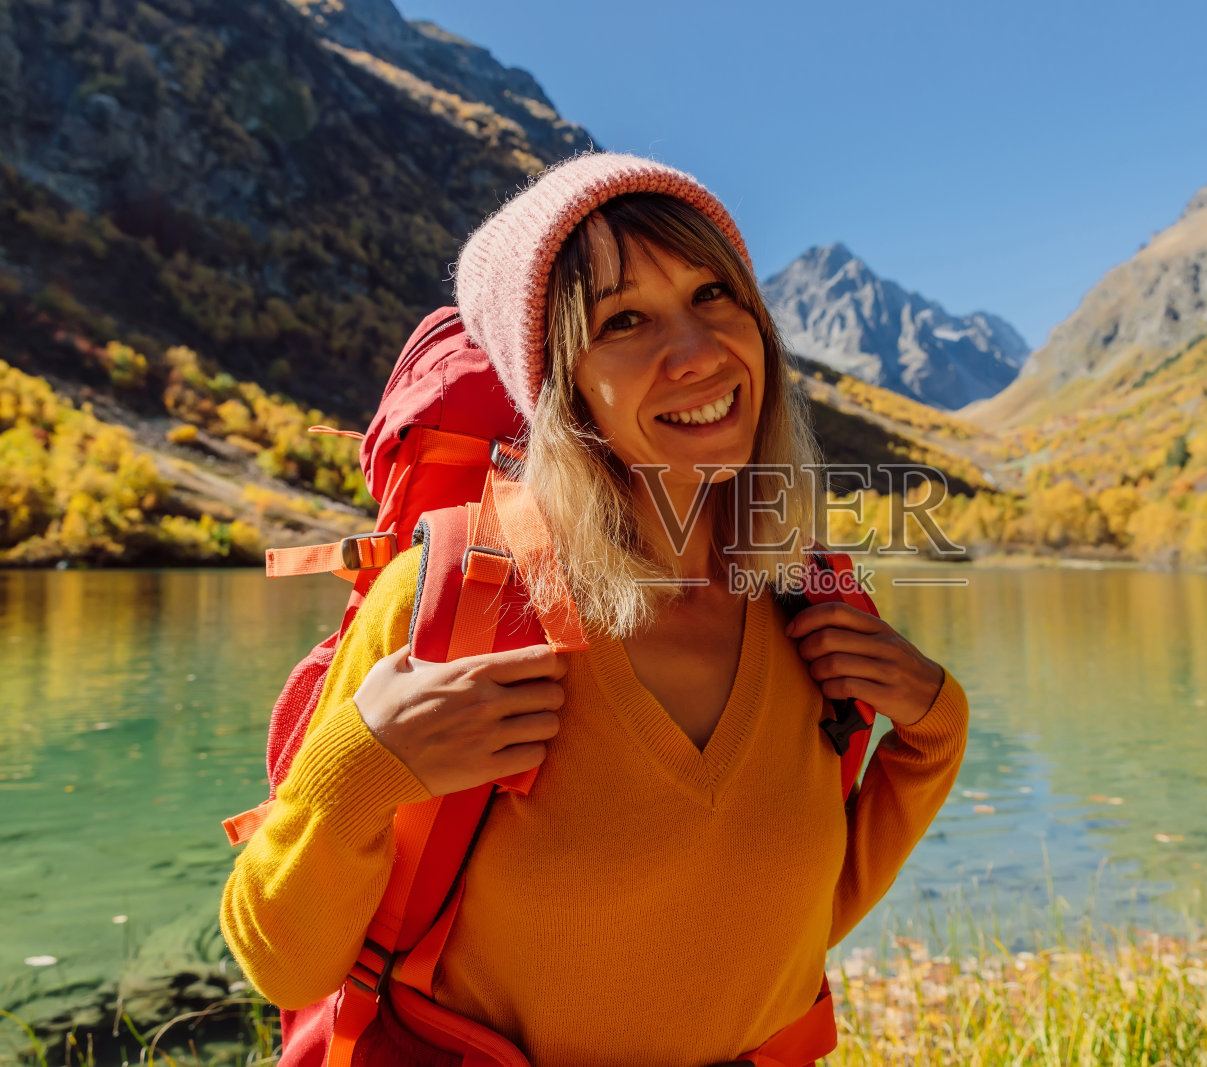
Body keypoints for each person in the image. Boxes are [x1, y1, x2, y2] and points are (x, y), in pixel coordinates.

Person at [220, 152, 968, 1066]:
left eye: (714, 296)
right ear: (558, 386)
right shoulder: (454, 604)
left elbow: (780, 931)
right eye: (623, 319)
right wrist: (356, 772)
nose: (697, 352)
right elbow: (284, 966)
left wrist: (935, 733)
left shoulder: (803, 605)